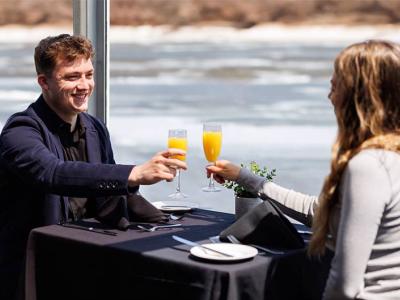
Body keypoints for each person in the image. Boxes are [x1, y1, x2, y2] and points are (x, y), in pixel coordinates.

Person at [208, 39, 400, 299]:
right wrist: (244, 178)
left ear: (360, 96)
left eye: (335, 86)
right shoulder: (388, 155)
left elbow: (345, 286)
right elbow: (317, 212)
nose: (329, 96)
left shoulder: (369, 166)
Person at [0, 34, 186, 299]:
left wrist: (168, 225)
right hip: (32, 272)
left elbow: (111, 193)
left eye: (88, 74)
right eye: (72, 77)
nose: (84, 85)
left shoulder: (95, 128)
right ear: (44, 82)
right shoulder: (20, 131)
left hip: (85, 260)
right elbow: (52, 173)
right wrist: (133, 173)